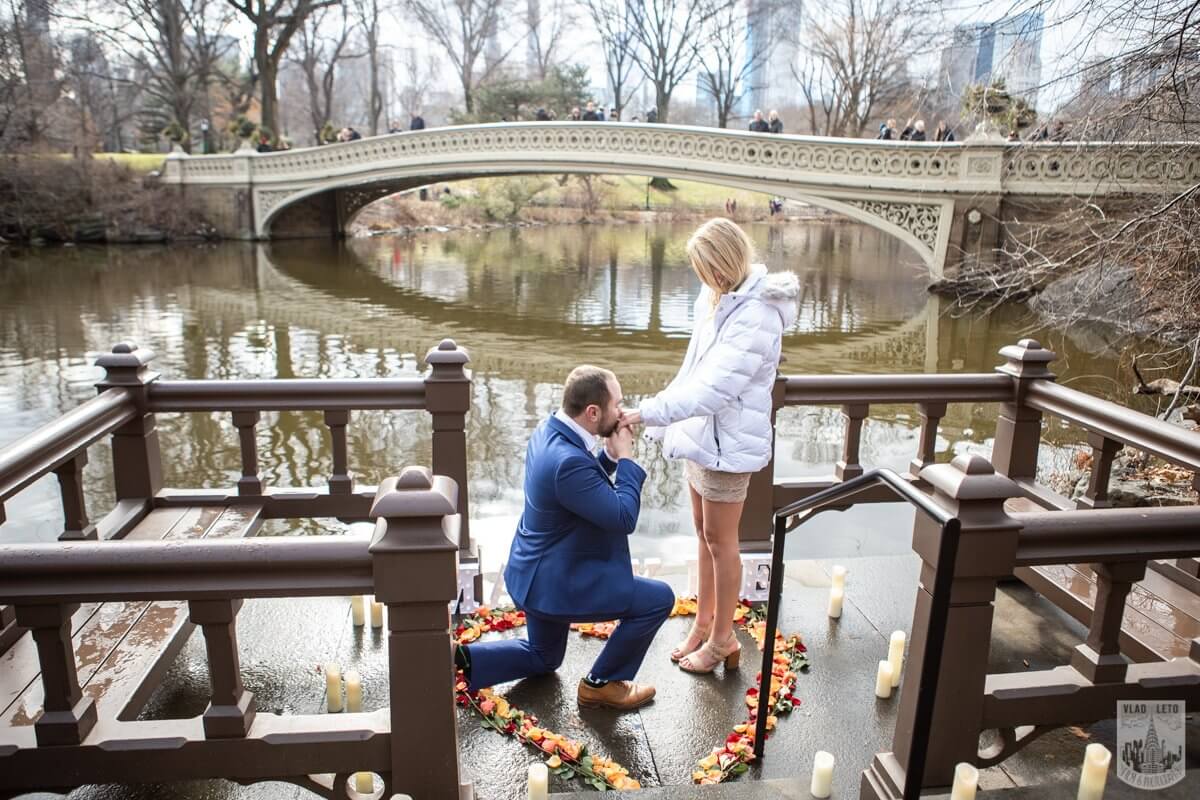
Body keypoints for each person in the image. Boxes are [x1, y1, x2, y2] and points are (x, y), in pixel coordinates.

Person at [623, 219, 799, 674]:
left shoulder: (757, 313)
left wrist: (648, 413)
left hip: (729, 446)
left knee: (723, 542)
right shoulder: (719, 297)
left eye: (709, 270)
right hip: (702, 437)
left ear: (725, 265)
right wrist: (667, 419)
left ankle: (723, 640)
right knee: (703, 535)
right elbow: (693, 371)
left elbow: (714, 389)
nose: (706, 280)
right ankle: (703, 623)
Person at [458, 366, 674, 710]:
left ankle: (460, 662)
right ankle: (601, 684)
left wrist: (608, 456)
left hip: (533, 572)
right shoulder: (568, 462)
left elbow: (579, 491)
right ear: (593, 412)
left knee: (545, 657)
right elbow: (622, 517)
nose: (622, 412)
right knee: (658, 599)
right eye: (617, 404)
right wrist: (628, 460)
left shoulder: (550, 431)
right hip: (556, 581)